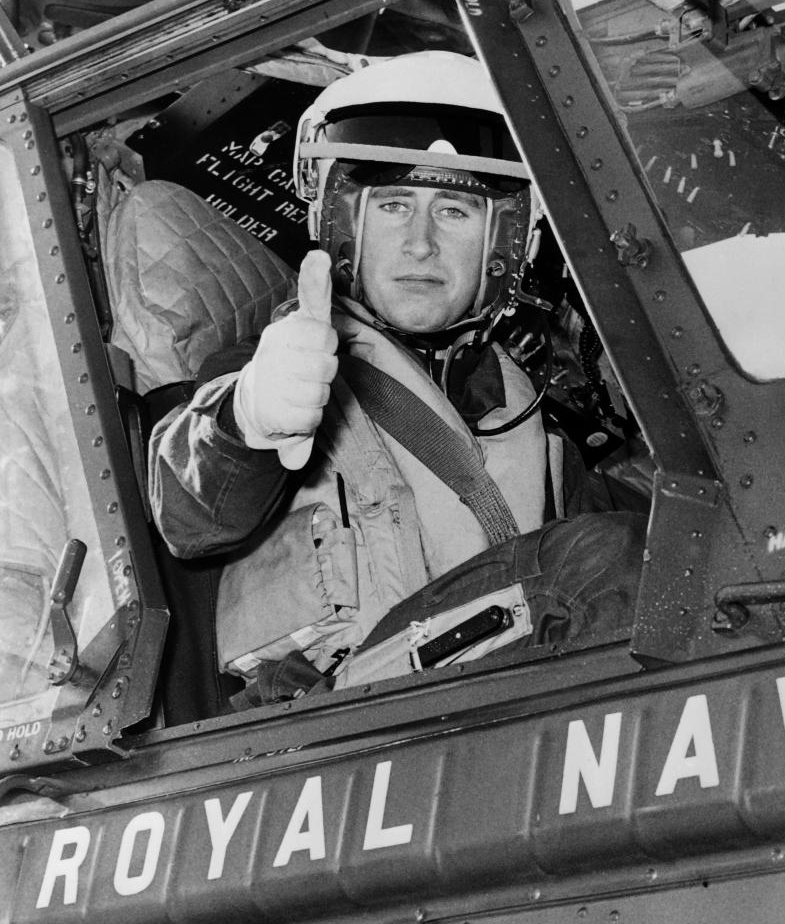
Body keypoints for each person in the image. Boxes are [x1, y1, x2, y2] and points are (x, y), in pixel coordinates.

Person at [149, 51, 644, 707]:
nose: (418, 243)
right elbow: (186, 510)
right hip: (343, 721)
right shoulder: (286, 362)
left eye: (454, 212)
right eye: (392, 205)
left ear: (508, 245)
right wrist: (248, 417)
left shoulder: (522, 408)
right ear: (344, 223)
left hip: (501, 698)